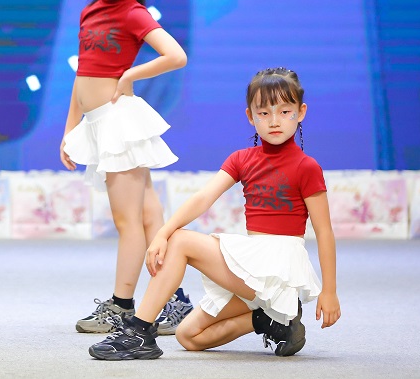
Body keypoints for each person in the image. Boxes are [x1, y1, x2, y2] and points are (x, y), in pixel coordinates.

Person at [88, 67, 341, 360]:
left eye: (285, 112)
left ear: (301, 112)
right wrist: (161, 233)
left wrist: (329, 291)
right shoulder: (242, 159)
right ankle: (271, 320)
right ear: (250, 116)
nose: (274, 121)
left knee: (181, 241)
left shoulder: (307, 167)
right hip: (253, 265)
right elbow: (203, 198)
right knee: (188, 336)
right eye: (264, 113)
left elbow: (324, 232)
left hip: (279, 269)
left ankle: (138, 332)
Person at [60, 0, 192, 337]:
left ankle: (122, 306)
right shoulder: (90, 10)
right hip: (100, 123)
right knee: (149, 216)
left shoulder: (134, 13)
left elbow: (176, 55)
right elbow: (83, 75)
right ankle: (174, 300)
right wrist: (70, 128)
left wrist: (131, 73)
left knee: (128, 221)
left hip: (118, 124)